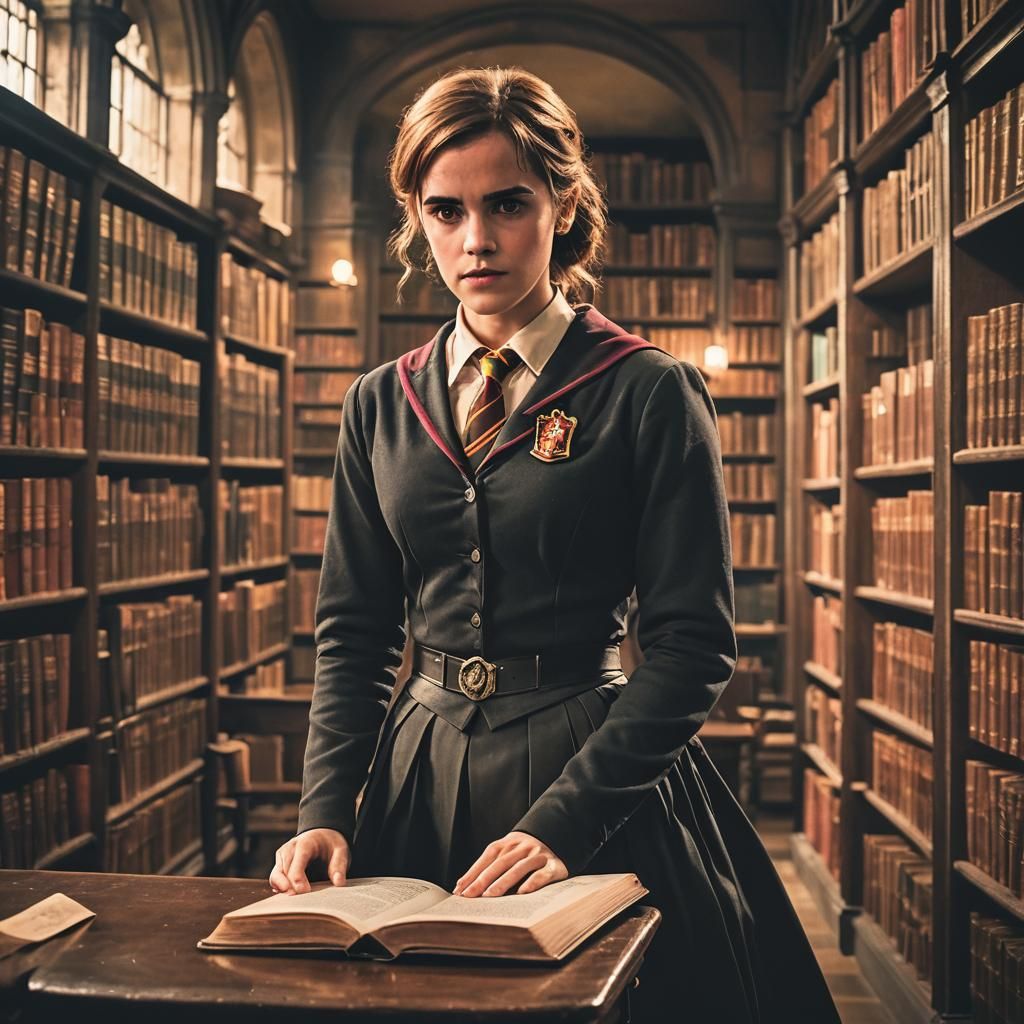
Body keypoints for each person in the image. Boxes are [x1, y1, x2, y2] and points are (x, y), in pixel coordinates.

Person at [271, 66, 840, 1023]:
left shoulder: (648, 389)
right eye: (444, 211)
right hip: (416, 772)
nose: (476, 240)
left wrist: (566, 822)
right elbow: (356, 632)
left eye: (507, 204)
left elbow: (694, 646)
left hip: (594, 769)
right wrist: (326, 807)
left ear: (563, 202)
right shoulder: (379, 401)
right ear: (417, 216)